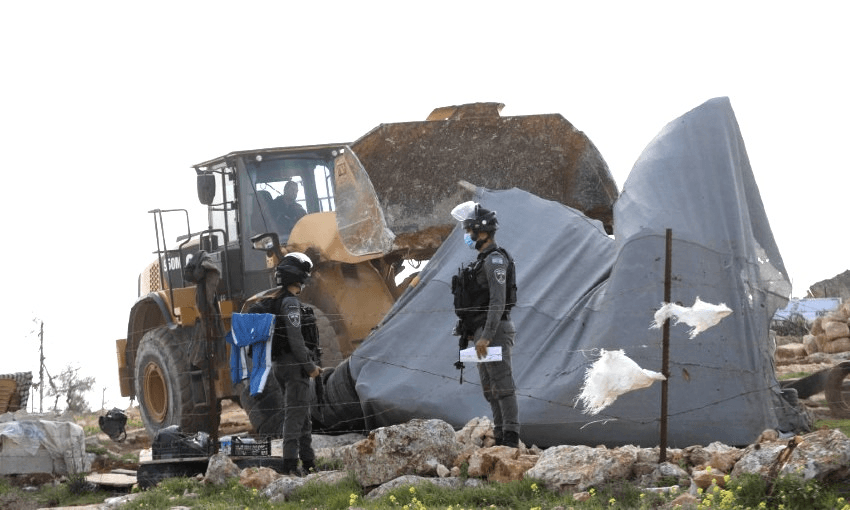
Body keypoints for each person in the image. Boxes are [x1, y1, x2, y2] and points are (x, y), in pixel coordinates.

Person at [450, 201, 520, 448]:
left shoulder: (495, 261)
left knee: (503, 385)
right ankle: (500, 433)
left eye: (469, 231)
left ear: (482, 232)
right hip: (482, 332)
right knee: (489, 388)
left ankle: (510, 437)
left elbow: (498, 301)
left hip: (495, 331)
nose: (467, 236)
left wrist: (487, 336)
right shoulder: (480, 261)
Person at [250, 252, 321, 475]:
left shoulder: (277, 300)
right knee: (294, 416)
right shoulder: (290, 303)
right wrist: (310, 366)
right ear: (297, 278)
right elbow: (296, 339)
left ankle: (309, 462)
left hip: (281, 365)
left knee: (302, 416)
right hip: (294, 366)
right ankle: (290, 465)